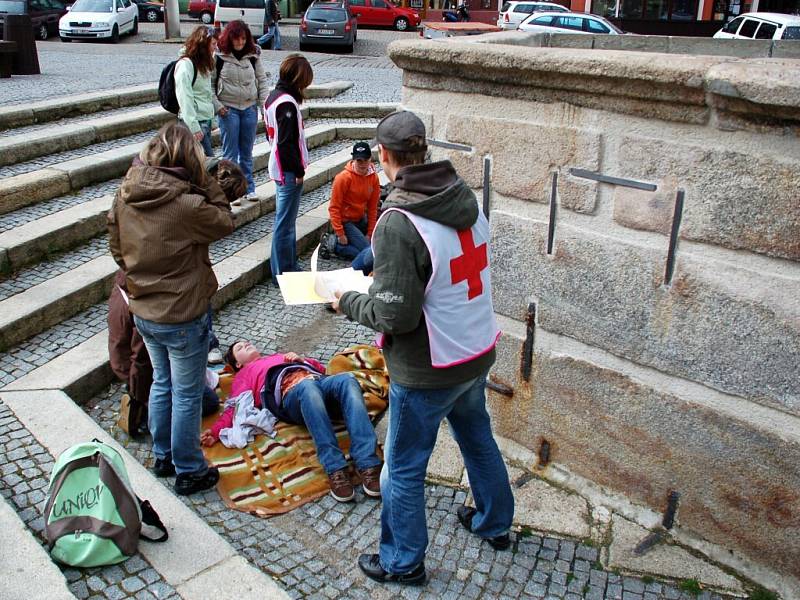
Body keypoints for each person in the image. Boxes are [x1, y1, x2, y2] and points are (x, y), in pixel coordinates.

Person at [333, 111, 514, 585]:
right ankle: (495, 523)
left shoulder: (397, 223)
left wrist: (346, 299)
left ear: (384, 157)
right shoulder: (462, 198)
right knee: (478, 440)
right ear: (424, 152)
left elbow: (396, 317)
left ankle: (402, 561)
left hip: (429, 370)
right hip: (475, 351)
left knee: (404, 468)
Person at [108, 122, 234, 496]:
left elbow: (117, 249)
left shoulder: (125, 194)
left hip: (144, 309)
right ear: (188, 161)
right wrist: (206, 179)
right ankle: (189, 469)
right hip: (182, 313)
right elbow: (225, 219)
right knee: (187, 391)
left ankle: (163, 455)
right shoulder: (188, 204)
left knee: (162, 381)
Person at [201, 340, 383, 502]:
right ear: (238, 363)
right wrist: (216, 431)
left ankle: (368, 463)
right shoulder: (244, 374)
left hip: (317, 382)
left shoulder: (279, 356)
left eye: (247, 342)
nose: (246, 344)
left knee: (347, 380)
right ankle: (335, 468)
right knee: (308, 388)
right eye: (239, 347)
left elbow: (320, 369)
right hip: (291, 398)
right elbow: (236, 406)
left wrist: (301, 360)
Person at [264, 54, 313, 283]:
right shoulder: (287, 103)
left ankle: (286, 267)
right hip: (287, 171)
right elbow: (287, 143)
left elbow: (272, 136)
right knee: (284, 224)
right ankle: (283, 272)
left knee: (285, 222)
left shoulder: (273, 97)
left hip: (279, 168)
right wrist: (298, 172)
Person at [212, 20, 269, 201]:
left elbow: (262, 82)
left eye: (243, 39)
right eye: (237, 39)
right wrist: (218, 107)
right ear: (230, 38)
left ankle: (249, 188)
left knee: (246, 153)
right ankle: (230, 192)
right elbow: (209, 84)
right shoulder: (218, 57)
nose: (240, 43)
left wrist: (264, 107)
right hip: (228, 109)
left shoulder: (253, 56)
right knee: (230, 154)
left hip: (249, 108)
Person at [325, 141, 380, 267]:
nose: (362, 164)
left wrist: (370, 233)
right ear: (353, 160)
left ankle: (347, 243)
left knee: (378, 243)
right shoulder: (343, 178)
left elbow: (372, 208)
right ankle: (334, 245)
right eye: (359, 161)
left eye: (365, 160)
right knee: (369, 253)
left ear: (370, 159)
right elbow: (334, 208)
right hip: (346, 221)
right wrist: (340, 233)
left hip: (361, 219)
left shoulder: (374, 178)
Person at [175, 25, 218, 157]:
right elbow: (185, 97)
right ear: (203, 45)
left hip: (204, 121)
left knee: (204, 164)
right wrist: (193, 127)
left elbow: (205, 94)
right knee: (206, 164)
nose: (216, 48)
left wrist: (211, 120)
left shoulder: (203, 65)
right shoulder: (186, 65)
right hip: (193, 123)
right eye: (213, 44)